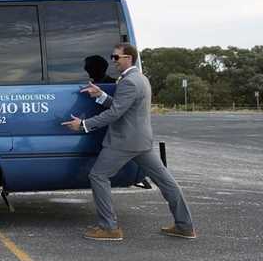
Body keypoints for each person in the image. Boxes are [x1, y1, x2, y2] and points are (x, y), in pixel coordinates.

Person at [63, 43, 196, 241]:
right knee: (166, 182)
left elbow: (115, 112)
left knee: (98, 176)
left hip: (123, 142)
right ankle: (185, 226)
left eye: (116, 57)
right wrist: (101, 96)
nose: (113, 61)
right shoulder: (140, 79)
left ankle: (109, 228)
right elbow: (123, 106)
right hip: (141, 141)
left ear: (129, 58)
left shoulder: (128, 82)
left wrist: (83, 125)